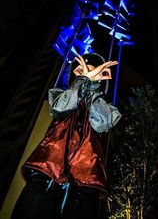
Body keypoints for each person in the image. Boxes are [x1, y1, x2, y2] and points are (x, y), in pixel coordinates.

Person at [11, 53, 122, 219]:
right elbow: (59, 108)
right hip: (49, 165)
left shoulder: (106, 106)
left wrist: (92, 86)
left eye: (93, 72)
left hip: (86, 173)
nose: (87, 75)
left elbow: (102, 122)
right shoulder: (59, 95)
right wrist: (84, 80)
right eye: (83, 71)